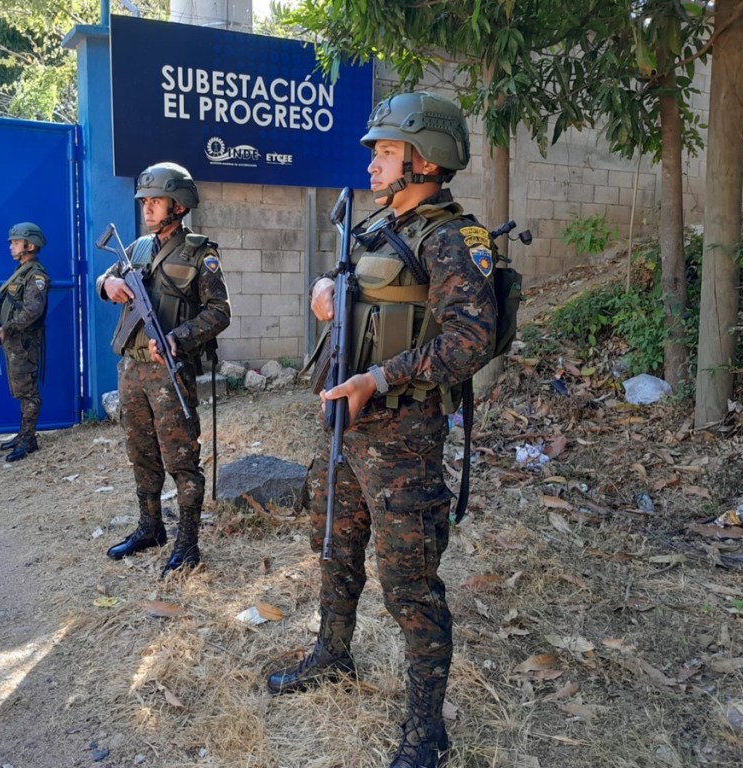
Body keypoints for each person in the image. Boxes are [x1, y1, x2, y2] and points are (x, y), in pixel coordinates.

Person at [265, 91, 498, 768]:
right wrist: (321, 296)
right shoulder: (367, 230)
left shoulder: (453, 240)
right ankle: (332, 654)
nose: (372, 163)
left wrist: (381, 379)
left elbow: (469, 341)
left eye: (386, 150)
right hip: (344, 428)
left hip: (403, 438)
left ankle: (426, 730)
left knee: (410, 584)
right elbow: (349, 299)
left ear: (426, 159)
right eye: (373, 151)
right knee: (334, 550)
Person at [97, 162, 231, 578]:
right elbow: (107, 278)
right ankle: (150, 528)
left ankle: (188, 543)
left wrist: (178, 338)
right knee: (141, 454)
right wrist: (107, 285)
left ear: (179, 204)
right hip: (132, 369)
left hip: (168, 371)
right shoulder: (135, 248)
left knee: (181, 458)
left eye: (155, 201)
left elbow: (220, 312)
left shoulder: (200, 254)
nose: (147, 208)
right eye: (145, 201)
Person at [0, 222, 50, 463]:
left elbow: (33, 310)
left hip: (25, 342)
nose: (11, 247)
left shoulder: (36, 276)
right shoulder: (22, 272)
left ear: (30, 245)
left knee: (28, 392)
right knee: (20, 389)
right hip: (14, 342)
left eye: (15, 242)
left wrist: (8, 327)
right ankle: (23, 433)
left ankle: (29, 439)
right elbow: (13, 302)